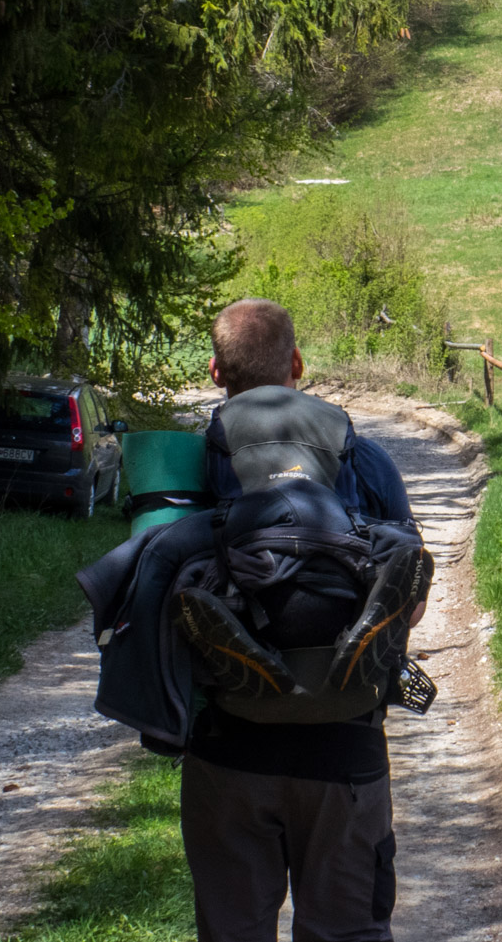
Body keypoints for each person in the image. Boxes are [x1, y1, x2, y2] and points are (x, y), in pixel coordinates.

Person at [181, 298, 423, 942]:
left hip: (226, 747)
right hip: (344, 745)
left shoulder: (189, 466)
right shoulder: (362, 458)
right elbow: (411, 597)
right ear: (297, 363)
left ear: (214, 371)